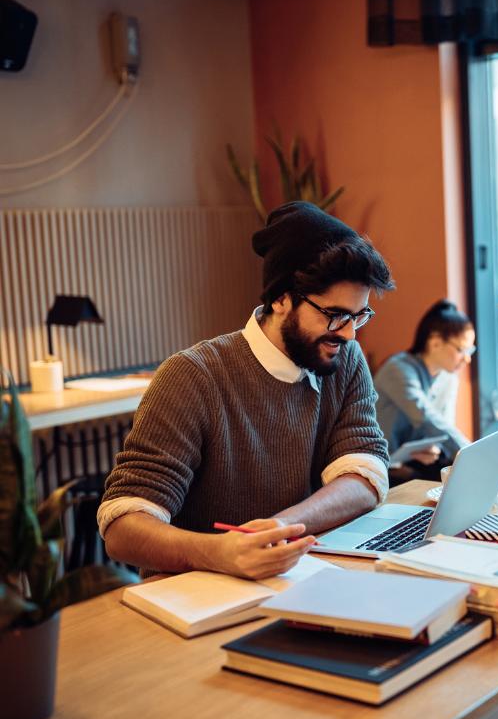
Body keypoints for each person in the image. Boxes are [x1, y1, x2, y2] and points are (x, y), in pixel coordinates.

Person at [97, 202, 395, 579]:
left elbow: (366, 472)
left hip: (300, 572)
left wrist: (282, 527)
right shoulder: (193, 376)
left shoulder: (342, 358)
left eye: (358, 316)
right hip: (203, 592)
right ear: (281, 298)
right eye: (335, 315)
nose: (349, 333)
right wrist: (219, 553)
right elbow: (123, 526)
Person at [373, 300, 474, 484]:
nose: (467, 358)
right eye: (461, 349)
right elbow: (425, 416)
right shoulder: (398, 369)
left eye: (470, 349)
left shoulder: (448, 377)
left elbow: (443, 426)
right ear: (435, 343)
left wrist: (434, 446)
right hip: (384, 464)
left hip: (413, 462)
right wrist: (472, 454)